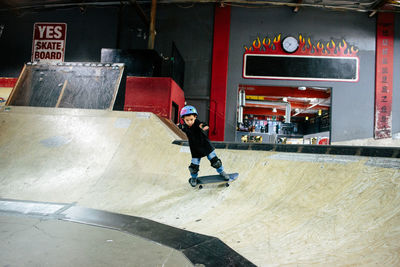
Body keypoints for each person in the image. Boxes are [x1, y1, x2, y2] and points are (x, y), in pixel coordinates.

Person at [179, 105, 229, 186]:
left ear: (195, 117)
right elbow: (181, 127)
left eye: (191, 119)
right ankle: (194, 178)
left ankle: (222, 172)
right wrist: (179, 125)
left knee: (215, 161)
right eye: (187, 120)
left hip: (205, 145)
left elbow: (201, 124)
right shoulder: (184, 126)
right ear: (183, 119)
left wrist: (204, 126)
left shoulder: (197, 123)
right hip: (195, 148)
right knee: (194, 167)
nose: (189, 122)